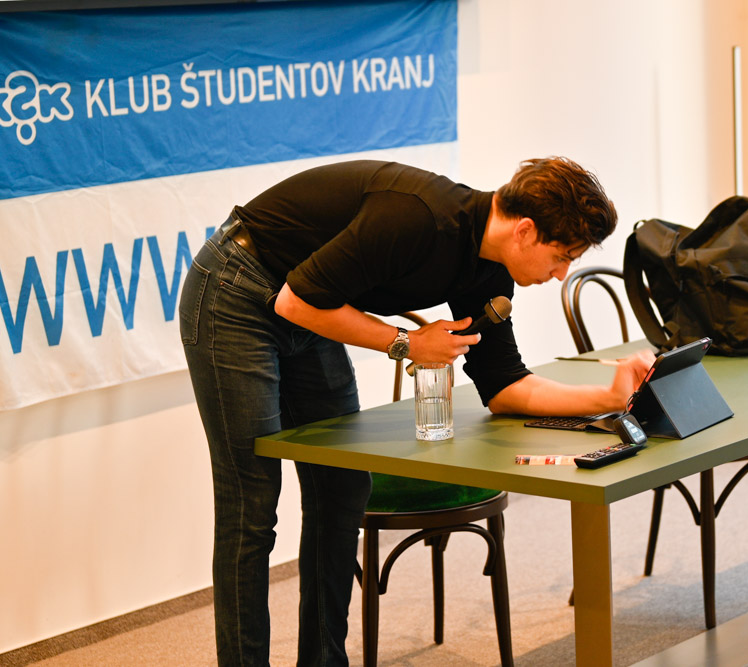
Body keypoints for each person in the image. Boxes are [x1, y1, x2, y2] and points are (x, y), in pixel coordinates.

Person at [178, 156, 654, 666]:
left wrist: (610, 397)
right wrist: (406, 342)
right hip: (238, 287)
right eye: (561, 256)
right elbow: (295, 303)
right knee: (251, 505)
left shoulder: (490, 271)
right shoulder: (419, 217)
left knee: (342, 488)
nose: (561, 274)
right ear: (525, 231)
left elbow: (506, 387)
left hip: (306, 301)